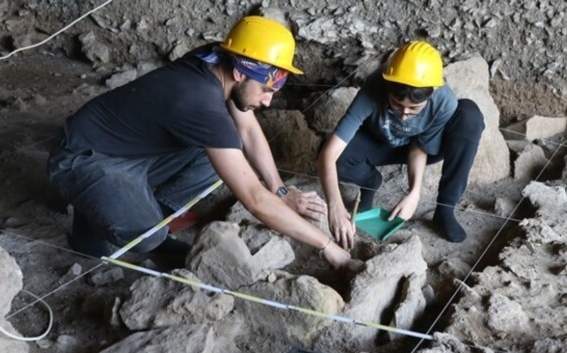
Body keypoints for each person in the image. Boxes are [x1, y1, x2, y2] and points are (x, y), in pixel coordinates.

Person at [48, 16, 350, 269]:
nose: (269, 101)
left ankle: (141, 208)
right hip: (83, 158)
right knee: (147, 237)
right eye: (266, 89)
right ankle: (94, 213)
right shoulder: (199, 103)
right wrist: (326, 246)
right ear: (239, 72)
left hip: (128, 146)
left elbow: (246, 130)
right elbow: (255, 200)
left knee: (219, 153)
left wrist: (280, 190)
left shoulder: (216, 59)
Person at [318, 40, 485, 249]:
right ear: (387, 86)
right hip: (380, 140)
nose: (405, 115)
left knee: (469, 116)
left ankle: (445, 209)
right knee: (335, 157)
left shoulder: (444, 101)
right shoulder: (374, 86)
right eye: (396, 105)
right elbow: (329, 153)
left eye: (414, 109)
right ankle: (370, 183)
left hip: (419, 147)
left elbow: (420, 146)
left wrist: (414, 193)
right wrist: (335, 205)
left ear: (432, 92)